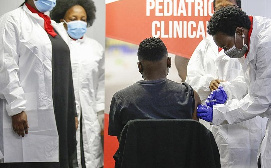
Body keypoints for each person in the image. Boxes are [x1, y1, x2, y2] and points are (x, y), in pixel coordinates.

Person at [197, 6, 271, 167]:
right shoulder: (247, 38)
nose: (225, 52)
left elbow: (260, 99)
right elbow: (249, 80)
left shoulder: (270, 43)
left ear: (239, 31)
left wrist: (218, 114)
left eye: (225, 46)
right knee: (267, 160)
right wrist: (227, 91)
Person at [186, 0, 267, 167]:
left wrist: (228, 89)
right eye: (219, 8)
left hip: (243, 123)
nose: (223, 11)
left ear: (238, 10)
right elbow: (191, 77)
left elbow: (252, 79)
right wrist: (208, 82)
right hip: (213, 121)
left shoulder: (248, 42)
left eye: (228, 7)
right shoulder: (205, 45)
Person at [0, 0, 77, 167]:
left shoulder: (54, 27)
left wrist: (73, 111)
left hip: (61, 110)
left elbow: (68, 72)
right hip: (30, 111)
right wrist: (16, 108)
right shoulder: (12, 20)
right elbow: (6, 66)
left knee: (60, 158)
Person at [108, 37, 201, 138]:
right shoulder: (190, 96)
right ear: (169, 62)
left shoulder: (121, 100)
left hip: (137, 154)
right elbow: (193, 134)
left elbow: (122, 141)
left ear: (139, 66)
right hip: (179, 154)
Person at [50, 0, 104, 167]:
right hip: (63, 113)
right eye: (73, 18)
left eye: (83, 18)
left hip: (89, 115)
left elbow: (100, 83)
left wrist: (100, 115)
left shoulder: (95, 48)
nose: (79, 22)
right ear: (62, 19)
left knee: (89, 157)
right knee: (67, 156)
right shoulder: (55, 46)